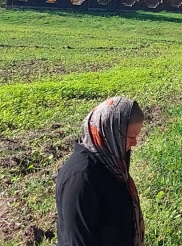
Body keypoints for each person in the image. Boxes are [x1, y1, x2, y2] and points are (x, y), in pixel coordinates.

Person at [56, 96, 146, 246]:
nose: (135, 143)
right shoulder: (81, 178)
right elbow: (78, 242)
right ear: (110, 133)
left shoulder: (111, 162)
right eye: (131, 136)